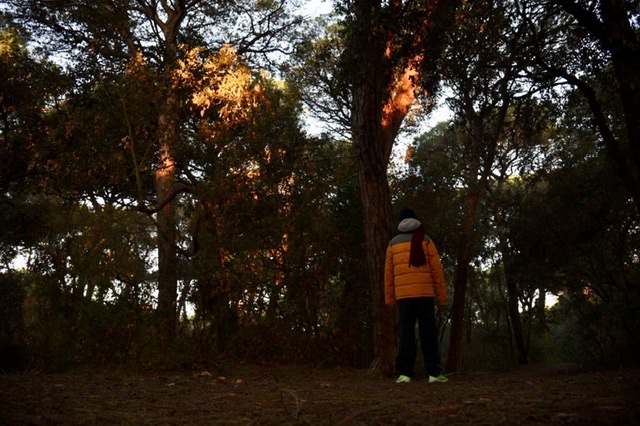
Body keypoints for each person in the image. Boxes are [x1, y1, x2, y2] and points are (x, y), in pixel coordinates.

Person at [384, 208, 448, 384]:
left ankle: (405, 374)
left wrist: (389, 298)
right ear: (416, 220)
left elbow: (388, 275)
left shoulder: (393, 244)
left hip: (404, 297)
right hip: (425, 295)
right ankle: (434, 373)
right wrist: (442, 297)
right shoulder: (426, 240)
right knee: (429, 334)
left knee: (405, 334)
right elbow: (437, 271)